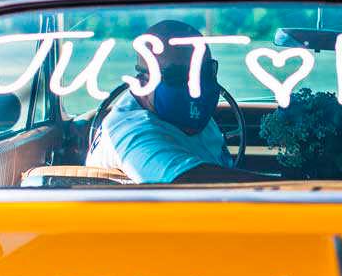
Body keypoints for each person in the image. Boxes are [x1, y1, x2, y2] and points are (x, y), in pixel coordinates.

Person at [86, 20, 235, 183]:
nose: (196, 85)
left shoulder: (185, 113)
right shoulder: (132, 132)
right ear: (143, 82)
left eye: (205, 71)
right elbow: (188, 184)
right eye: (177, 75)